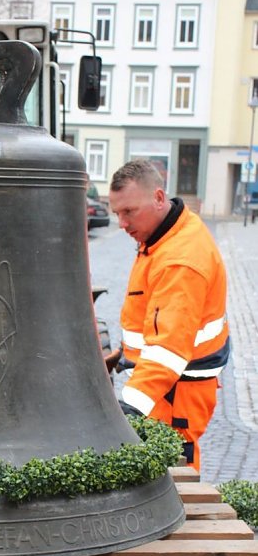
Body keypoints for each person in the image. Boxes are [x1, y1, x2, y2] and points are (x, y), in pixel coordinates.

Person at [108, 159, 229, 471]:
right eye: (117, 214)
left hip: (178, 389)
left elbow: (169, 349)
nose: (122, 223)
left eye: (129, 212)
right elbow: (157, 317)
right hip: (170, 383)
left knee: (176, 468)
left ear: (158, 198)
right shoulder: (161, 236)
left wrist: (129, 408)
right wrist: (123, 354)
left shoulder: (180, 260)